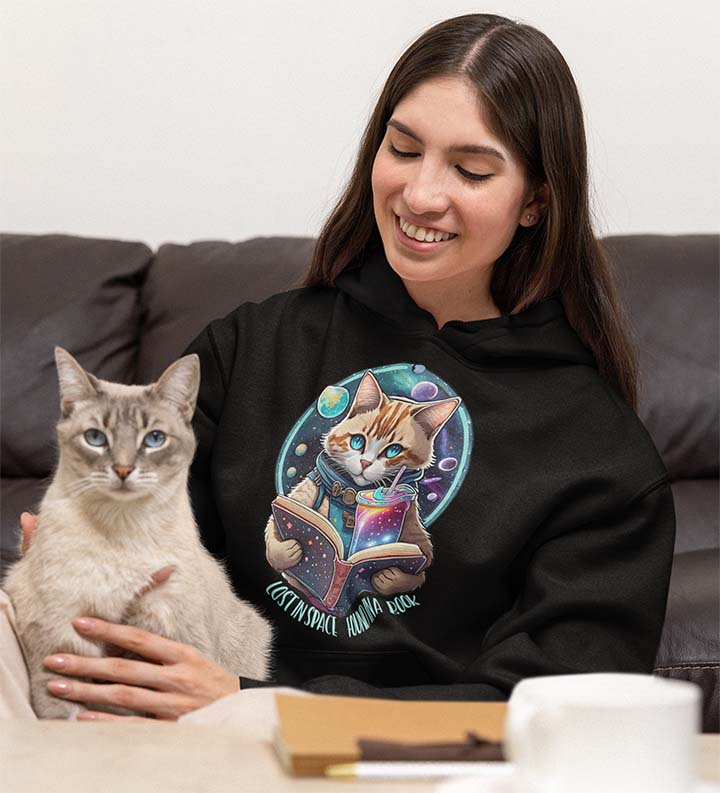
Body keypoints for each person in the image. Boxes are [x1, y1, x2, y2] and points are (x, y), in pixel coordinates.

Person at [10, 12, 675, 719]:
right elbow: (155, 572)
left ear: (537, 201)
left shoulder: (601, 457)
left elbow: (555, 710)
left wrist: (252, 704)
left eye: (471, 169)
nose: (421, 195)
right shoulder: (251, 346)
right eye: (403, 148)